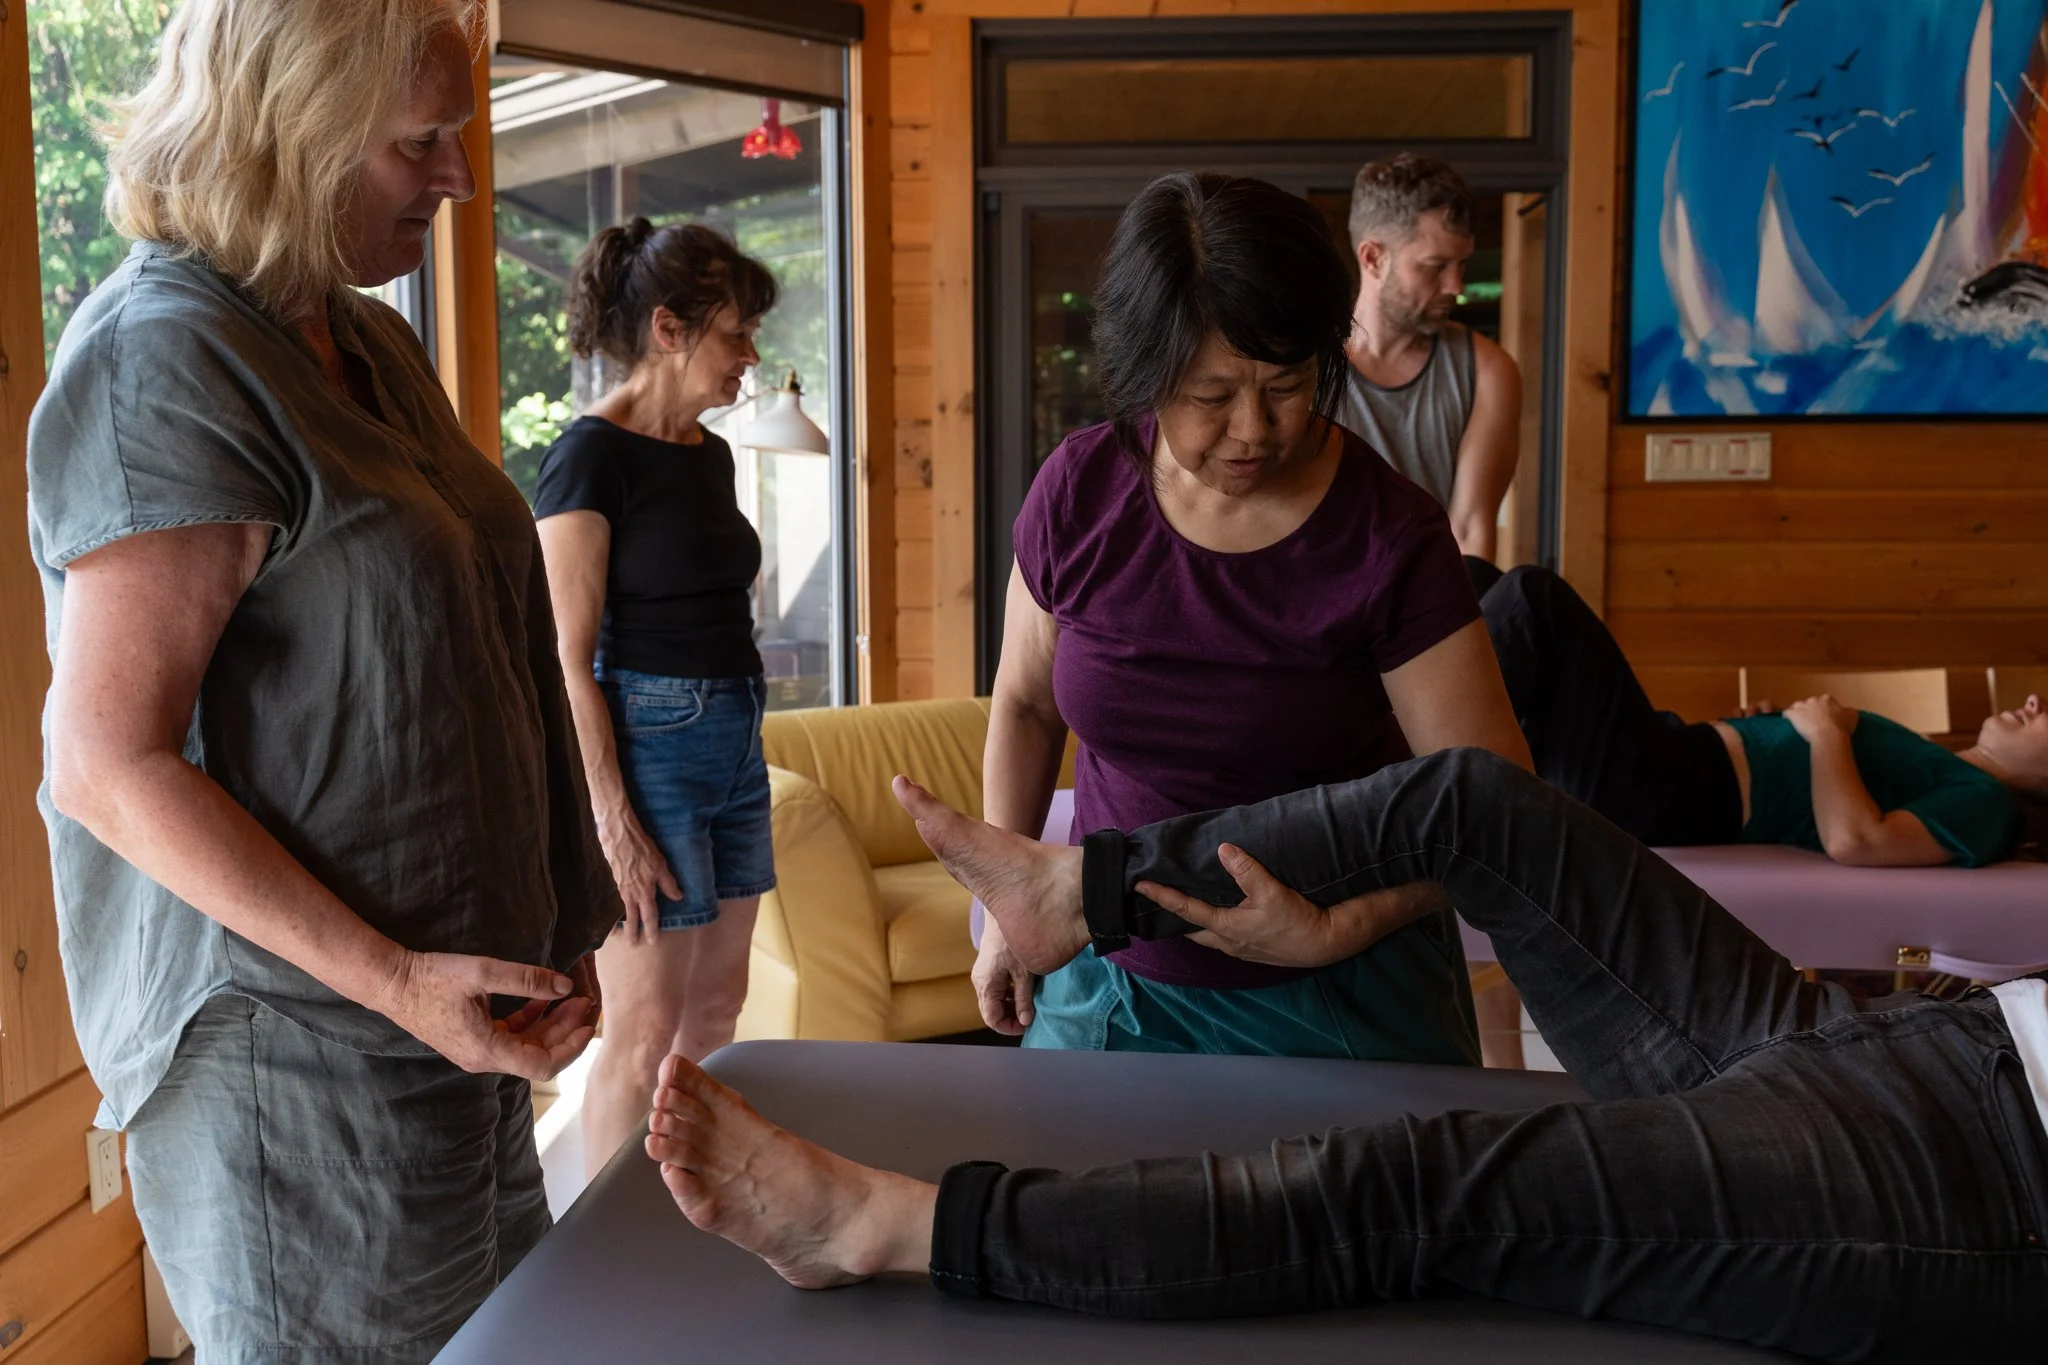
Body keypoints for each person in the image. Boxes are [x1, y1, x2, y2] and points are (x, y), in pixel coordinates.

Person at [643, 755, 2048, 1362]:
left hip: (1982, 1182)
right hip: (1943, 1041)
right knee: (1479, 806)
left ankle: (884, 1222)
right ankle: (1083, 893)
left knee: (1434, 1178)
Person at [27, 1, 617, 1357]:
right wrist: (402, 980)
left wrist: (559, 913)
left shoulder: (365, 340)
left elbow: (463, 655)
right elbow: (104, 766)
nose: (461, 178)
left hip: (446, 1034)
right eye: (424, 143)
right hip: (301, 1065)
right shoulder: (164, 357)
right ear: (296, 131)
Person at [975, 171, 1531, 1063]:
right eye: (1210, 393)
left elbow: (1493, 800)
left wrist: (1339, 927)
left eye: (1286, 385)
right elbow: (1027, 703)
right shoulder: (1080, 491)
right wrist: (1011, 903)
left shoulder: (1389, 534)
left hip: (1346, 996)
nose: (1253, 429)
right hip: (1108, 983)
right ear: (1146, 375)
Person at [532, 221, 781, 1177]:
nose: (750, 356)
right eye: (736, 333)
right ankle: (604, 1264)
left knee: (718, 1010)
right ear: (669, 329)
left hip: (734, 736)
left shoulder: (709, 455)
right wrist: (611, 817)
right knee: (641, 1036)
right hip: (648, 746)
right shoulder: (588, 457)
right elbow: (564, 655)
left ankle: (685, 1205)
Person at [1485, 565, 2044, 866]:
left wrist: (1825, 737)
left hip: (1664, 793)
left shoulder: (1986, 802)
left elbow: (1856, 841)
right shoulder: (1957, 773)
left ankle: (1420, 759)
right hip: (1677, 761)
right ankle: (1427, 750)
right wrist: (1767, 734)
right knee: (1475, 579)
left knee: (1533, 599)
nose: (2034, 702)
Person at [1338, 154, 1522, 585]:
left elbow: (1469, 532)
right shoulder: (1303, 365)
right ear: (1373, 258)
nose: (1455, 287)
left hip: (1428, 614)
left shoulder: (1488, 370)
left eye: (1461, 265)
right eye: (1435, 266)